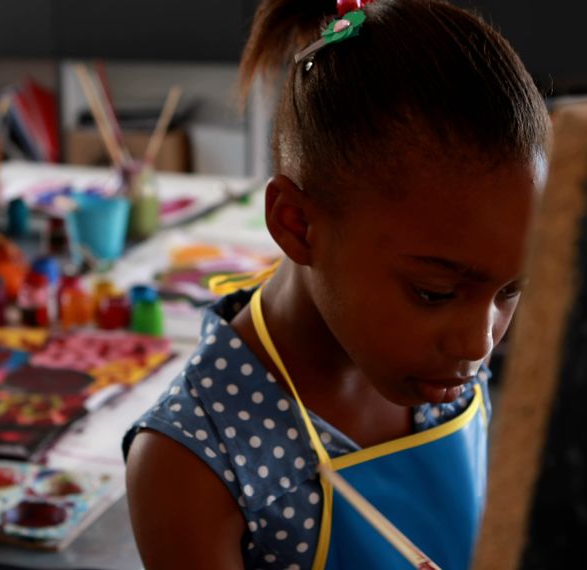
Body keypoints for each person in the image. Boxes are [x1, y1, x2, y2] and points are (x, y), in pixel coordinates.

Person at [123, 0, 550, 567]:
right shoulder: (196, 464)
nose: (480, 344)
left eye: (510, 290)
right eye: (433, 292)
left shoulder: (440, 368)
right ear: (297, 225)